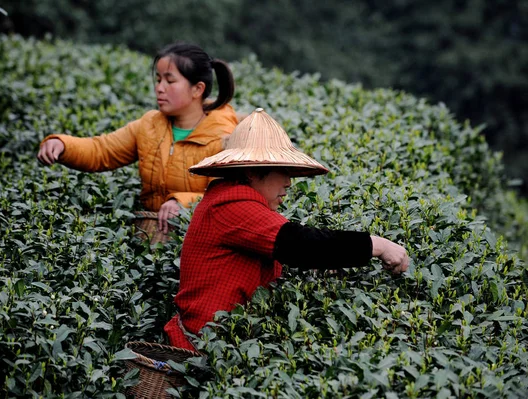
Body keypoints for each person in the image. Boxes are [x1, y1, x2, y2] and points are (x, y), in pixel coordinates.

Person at [164, 108, 410, 350]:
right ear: (251, 171)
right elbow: (298, 244)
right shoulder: (230, 205)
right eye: (283, 171)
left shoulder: (239, 202)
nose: (289, 182)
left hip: (221, 340)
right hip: (203, 346)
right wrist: (378, 245)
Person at [37, 42, 239, 238]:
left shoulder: (224, 137)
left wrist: (183, 203)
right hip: (151, 237)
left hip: (201, 238)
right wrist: (62, 145)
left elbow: (228, 196)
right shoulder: (149, 125)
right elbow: (102, 150)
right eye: (158, 80)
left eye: (170, 81)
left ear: (197, 89)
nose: (160, 88)